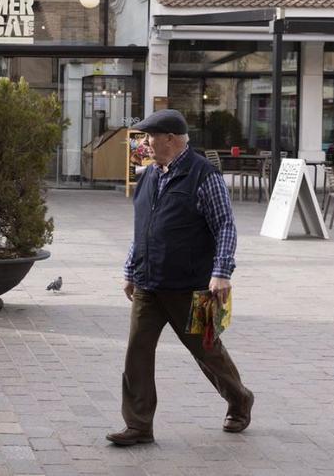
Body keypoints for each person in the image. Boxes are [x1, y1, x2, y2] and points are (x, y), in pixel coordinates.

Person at [107, 109, 254, 446]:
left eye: (149, 137)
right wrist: (131, 270)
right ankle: (138, 425)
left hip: (190, 286)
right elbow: (142, 230)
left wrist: (221, 273)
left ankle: (239, 399)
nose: (144, 143)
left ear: (169, 139)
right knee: (137, 352)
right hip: (148, 284)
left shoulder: (205, 176)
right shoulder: (148, 176)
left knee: (207, 352)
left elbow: (225, 227)